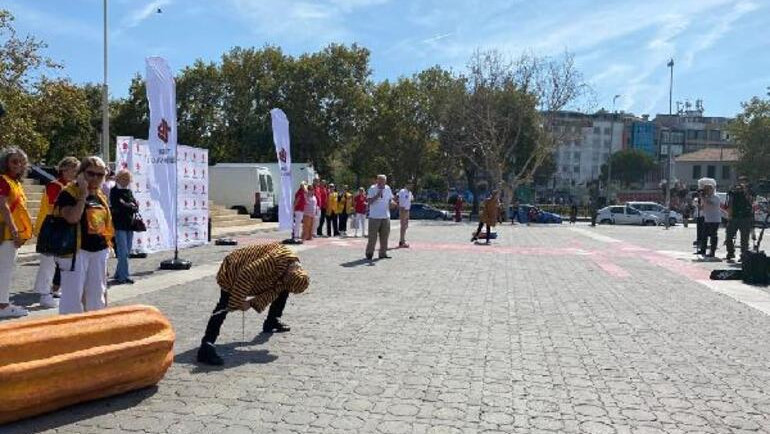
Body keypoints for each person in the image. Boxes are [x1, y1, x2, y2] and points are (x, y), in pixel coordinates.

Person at [197, 242, 310, 365]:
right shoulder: (276, 260)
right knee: (225, 305)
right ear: (289, 272)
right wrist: (238, 302)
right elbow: (247, 273)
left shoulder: (293, 270)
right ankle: (206, 346)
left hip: (255, 273)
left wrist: (251, 303)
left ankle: (272, 321)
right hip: (235, 267)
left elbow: (274, 290)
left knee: (283, 291)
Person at [55, 156, 114, 314]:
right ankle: (70, 333)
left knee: (97, 296)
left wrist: (108, 247)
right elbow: (72, 217)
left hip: (98, 251)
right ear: (81, 173)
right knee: (72, 298)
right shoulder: (68, 193)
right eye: (91, 173)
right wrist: (82, 194)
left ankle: (95, 330)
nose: (95, 178)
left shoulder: (100, 195)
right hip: (75, 251)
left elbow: (105, 223)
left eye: (100, 175)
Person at [33, 156, 79, 307]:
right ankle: (44, 294)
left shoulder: (70, 186)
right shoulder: (55, 185)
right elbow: (56, 206)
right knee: (48, 263)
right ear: (64, 169)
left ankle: (53, 291)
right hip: (51, 226)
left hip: (61, 226)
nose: (75, 172)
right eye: (73, 169)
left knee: (59, 262)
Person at [0, 147, 33, 318]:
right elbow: (3, 206)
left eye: (20, 162)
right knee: (5, 269)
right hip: (5, 232)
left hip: (10, 231)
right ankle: (3, 306)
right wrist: (14, 230)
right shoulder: (4, 180)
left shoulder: (15, 182)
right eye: (14, 161)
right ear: (5, 162)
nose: (18, 164)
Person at [110, 169, 138, 285]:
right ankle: (124, 276)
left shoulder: (129, 192)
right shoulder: (114, 191)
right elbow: (116, 207)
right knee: (122, 251)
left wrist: (128, 205)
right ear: (118, 179)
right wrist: (129, 205)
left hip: (129, 224)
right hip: (119, 225)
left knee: (127, 251)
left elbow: (135, 207)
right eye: (124, 178)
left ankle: (118, 273)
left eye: (128, 179)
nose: (126, 181)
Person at [365, 175, 395, 260]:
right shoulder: (372, 188)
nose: (382, 182)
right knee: (372, 237)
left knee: (385, 236)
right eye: (380, 180)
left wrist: (392, 203)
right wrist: (377, 196)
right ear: (377, 181)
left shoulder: (388, 188)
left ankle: (383, 253)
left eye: (383, 181)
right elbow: (369, 201)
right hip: (374, 217)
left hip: (386, 216)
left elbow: (390, 199)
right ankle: (369, 253)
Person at [725, 176, 754, 262]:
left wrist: (745, 191)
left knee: (744, 239)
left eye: (744, 181)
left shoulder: (750, 191)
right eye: (741, 181)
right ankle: (730, 252)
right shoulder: (733, 191)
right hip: (734, 217)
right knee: (729, 236)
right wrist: (729, 215)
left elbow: (751, 201)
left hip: (745, 217)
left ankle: (743, 255)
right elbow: (729, 203)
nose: (742, 183)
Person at [699, 181, 721, 258]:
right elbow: (702, 207)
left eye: (707, 189)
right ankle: (703, 250)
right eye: (705, 189)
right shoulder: (705, 198)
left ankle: (712, 251)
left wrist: (703, 198)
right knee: (704, 235)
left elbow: (711, 203)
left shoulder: (716, 197)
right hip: (707, 219)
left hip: (715, 219)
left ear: (712, 190)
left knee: (713, 236)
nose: (706, 191)